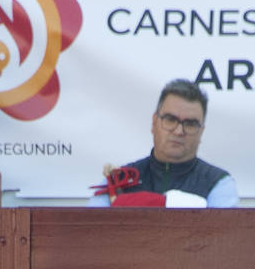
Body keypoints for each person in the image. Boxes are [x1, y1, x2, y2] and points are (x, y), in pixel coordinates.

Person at [91, 79, 239, 207]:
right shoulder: (118, 179)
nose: (179, 131)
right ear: (154, 122)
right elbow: (91, 233)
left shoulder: (218, 184)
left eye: (190, 124)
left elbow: (221, 238)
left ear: (201, 132)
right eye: (170, 119)